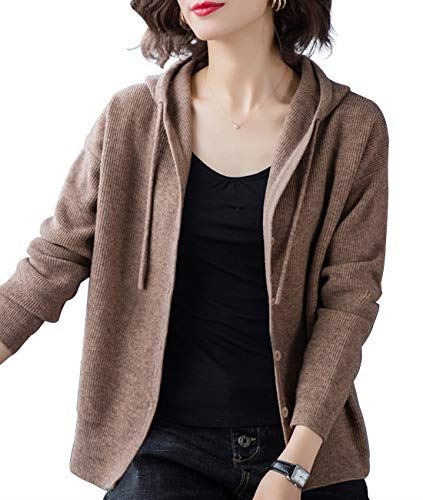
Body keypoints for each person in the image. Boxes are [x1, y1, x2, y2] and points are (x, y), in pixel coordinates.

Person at [0, 0, 389, 498]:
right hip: (165, 448)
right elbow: (54, 260)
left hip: (307, 450)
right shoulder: (133, 118)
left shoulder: (350, 127)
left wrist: (294, 464)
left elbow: (350, 302)